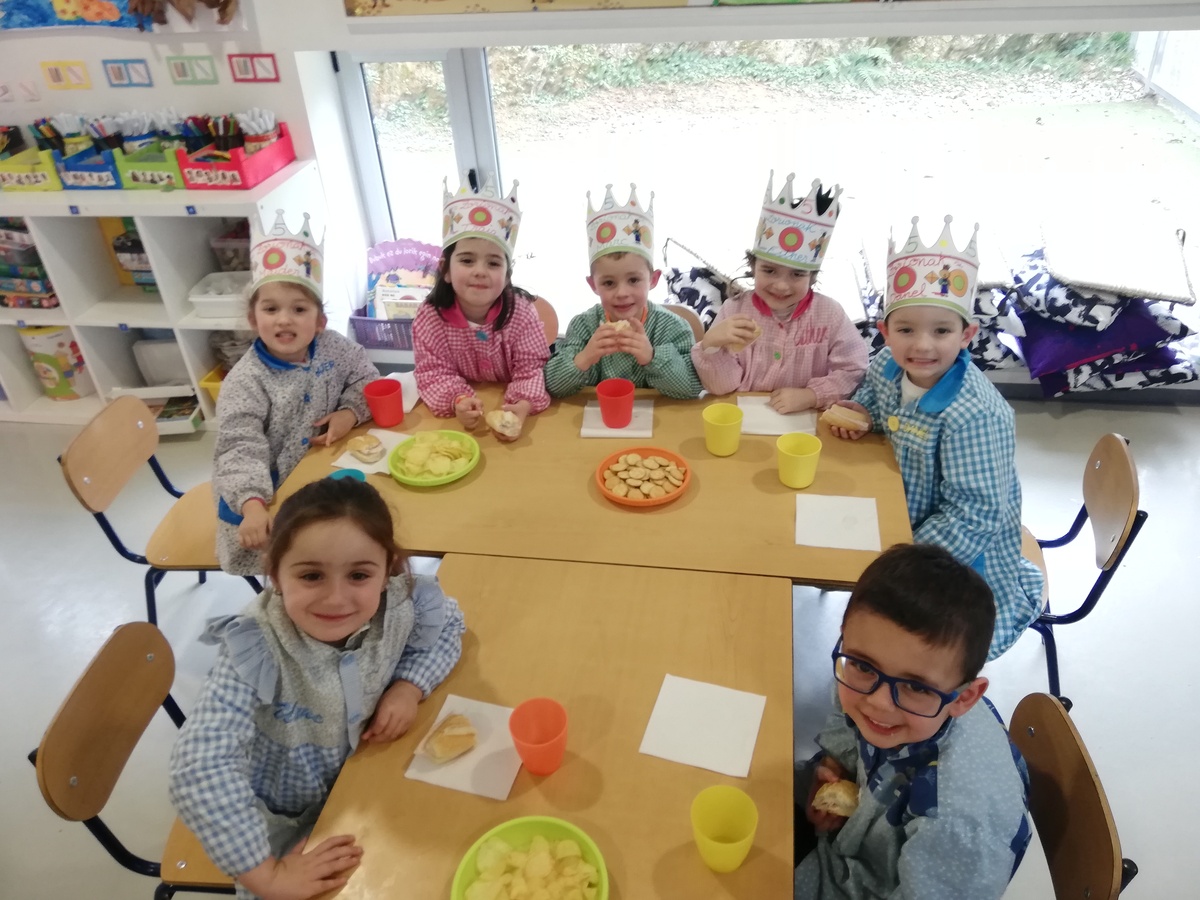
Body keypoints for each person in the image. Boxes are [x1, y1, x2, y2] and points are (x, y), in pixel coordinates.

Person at [170, 477, 465, 900]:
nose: (336, 599)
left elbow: (449, 626)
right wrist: (266, 877)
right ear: (274, 573)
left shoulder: (403, 603)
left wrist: (408, 686)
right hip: (285, 821)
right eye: (311, 575)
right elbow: (198, 768)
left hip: (367, 781)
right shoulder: (255, 647)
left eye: (359, 575)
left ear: (387, 571)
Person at [828, 217, 1043, 660]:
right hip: (898, 509)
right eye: (906, 330)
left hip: (954, 561)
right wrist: (863, 411)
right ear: (885, 332)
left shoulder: (976, 415)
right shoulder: (887, 364)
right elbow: (874, 395)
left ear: (967, 335)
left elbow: (972, 517)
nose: (922, 346)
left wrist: (898, 563)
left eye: (941, 331)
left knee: (918, 646)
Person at [795, 543, 1031, 900]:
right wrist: (835, 765)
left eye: (915, 687)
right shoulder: (900, 684)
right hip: (849, 838)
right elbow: (846, 723)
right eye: (862, 665)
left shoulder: (957, 828)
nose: (877, 702)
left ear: (964, 698)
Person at [213, 210, 379, 576]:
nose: (284, 319)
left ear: (320, 322)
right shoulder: (245, 381)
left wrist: (349, 412)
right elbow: (239, 447)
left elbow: (367, 378)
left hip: (319, 473)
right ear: (253, 319)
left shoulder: (333, 346)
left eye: (299, 309)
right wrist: (252, 505)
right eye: (271, 309)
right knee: (302, 569)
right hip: (266, 501)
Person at [692, 173, 867, 411]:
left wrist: (812, 395)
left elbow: (853, 369)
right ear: (753, 267)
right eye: (770, 270)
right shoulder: (733, 310)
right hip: (744, 418)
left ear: (813, 276)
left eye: (797, 274)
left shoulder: (831, 314)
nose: (782, 285)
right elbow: (722, 387)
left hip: (807, 422)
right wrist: (711, 346)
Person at [414, 177, 551, 440]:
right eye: (467, 260)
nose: (480, 271)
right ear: (445, 270)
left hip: (511, 410)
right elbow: (433, 372)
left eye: (493, 263)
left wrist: (522, 405)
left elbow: (531, 368)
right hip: (463, 425)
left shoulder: (522, 313)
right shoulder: (429, 317)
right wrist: (458, 400)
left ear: (507, 276)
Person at [543, 183, 702, 399]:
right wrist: (585, 357)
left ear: (653, 279)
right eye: (609, 283)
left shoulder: (673, 328)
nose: (622, 293)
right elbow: (552, 386)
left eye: (634, 280)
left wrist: (652, 357)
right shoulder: (583, 326)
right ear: (593, 285)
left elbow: (692, 388)